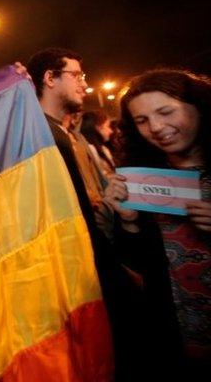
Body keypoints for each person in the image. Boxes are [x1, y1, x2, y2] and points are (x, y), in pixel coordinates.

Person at [28, 47, 144, 379]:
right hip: (76, 261)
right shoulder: (38, 135)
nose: (84, 84)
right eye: (76, 75)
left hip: (100, 249)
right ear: (50, 78)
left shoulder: (72, 137)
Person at [103, 69, 211, 376]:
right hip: (176, 340)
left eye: (165, 112)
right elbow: (138, 264)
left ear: (198, 106)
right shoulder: (142, 178)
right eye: (141, 121)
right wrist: (129, 222)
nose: (157, 127)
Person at [81, 110, 116, 176]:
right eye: (108, 126)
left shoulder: (102, 148)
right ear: (97, 127)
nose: (111, 131)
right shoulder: (90, 150)